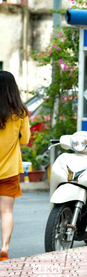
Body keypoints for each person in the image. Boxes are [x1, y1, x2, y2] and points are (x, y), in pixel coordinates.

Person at [0, 71, 30, 261]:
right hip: (9, 171)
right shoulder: (20, 113)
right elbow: (26, 140)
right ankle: (4, 247)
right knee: (6, 211)